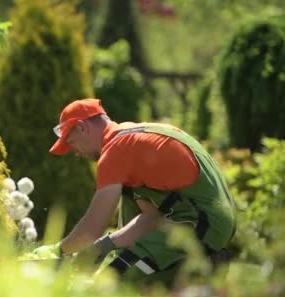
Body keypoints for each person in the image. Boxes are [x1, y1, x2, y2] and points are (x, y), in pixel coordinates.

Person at [32, 98, 236, 285]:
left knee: (112, 285)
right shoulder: (136, 136)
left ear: (81, 127)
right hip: (205, 220)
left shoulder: (117, 149)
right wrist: (106, 244)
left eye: (71, 142)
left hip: (200, 222)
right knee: (122, 277)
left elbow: (93, 227)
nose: (75, 153)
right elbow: (150, 218)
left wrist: (57, 250)